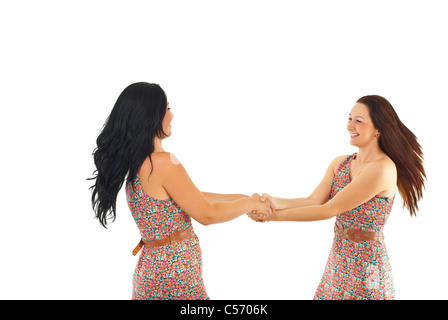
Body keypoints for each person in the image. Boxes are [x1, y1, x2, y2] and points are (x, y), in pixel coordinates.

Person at [89, 82, 273, 300]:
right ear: (151, 116)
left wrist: (245, 198)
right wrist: (251, 205)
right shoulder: (163, 163)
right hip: (174, 277)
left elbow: (192, 197)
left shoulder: (140, 164)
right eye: (167, 109)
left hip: (153, 273)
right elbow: (207, 214)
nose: (172, 115)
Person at [248, 95, 426, 299]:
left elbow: (329, 209)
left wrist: (272, 216)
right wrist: (272, 202)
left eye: (358, 120)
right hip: (338, 262)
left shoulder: (382, 169)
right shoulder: (340, 163)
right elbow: (312, 201)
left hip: (366, 270)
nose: (350, 125)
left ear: (379, 128)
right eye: (349, 118)